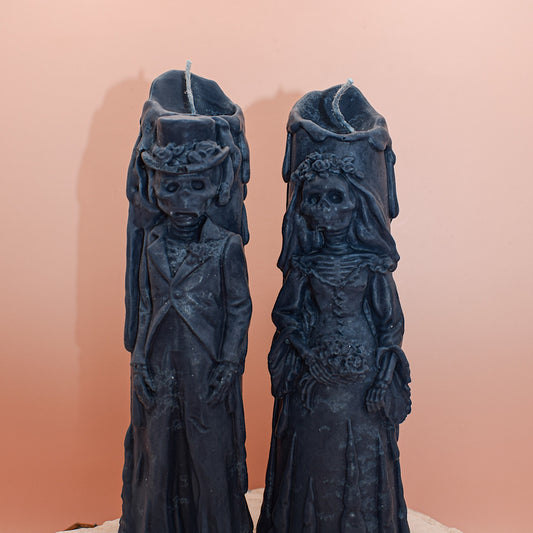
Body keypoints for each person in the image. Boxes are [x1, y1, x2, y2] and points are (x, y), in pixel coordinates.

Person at [257, 152, 411, 533]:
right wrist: (307, 356)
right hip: (315, 374)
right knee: (312, 448)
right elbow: (286, 316)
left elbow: (391, 328)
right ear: (304, 208)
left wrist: (381, 382)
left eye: (335, 198)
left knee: (365, 448)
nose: (325, 209)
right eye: (314, 199)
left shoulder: (372, 266)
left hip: (364, 375)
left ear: (355, 203)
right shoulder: (305, 266)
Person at [119, 114, 253, 533]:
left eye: (196, 186)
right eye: (172, 188)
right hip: (161, 362)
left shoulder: (226, 246)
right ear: (155, 187)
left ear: (215, 187)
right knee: (159, 450)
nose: (183, 202)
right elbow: (145, 304)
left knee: (209, 452)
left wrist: (229, 363)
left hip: (205, 364)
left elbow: (239, 308)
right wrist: (139, 360)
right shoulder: (152, 243)